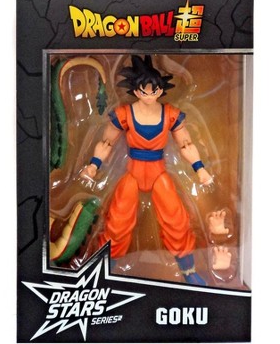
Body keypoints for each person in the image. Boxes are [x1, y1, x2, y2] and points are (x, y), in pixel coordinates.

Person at [80, 55, 213, 285]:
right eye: (145, 91)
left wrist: (200, 169)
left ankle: (189, 271)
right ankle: (104, 270)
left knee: (176, 220)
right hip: (132, 174)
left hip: (159, 174)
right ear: (136, 91)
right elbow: (107, 143)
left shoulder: (170, 114)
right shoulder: (124, 114)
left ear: (161, 90)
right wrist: (93, 166)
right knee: (118, 222)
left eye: (155, 90)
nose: (150, 95)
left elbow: (186, 144)